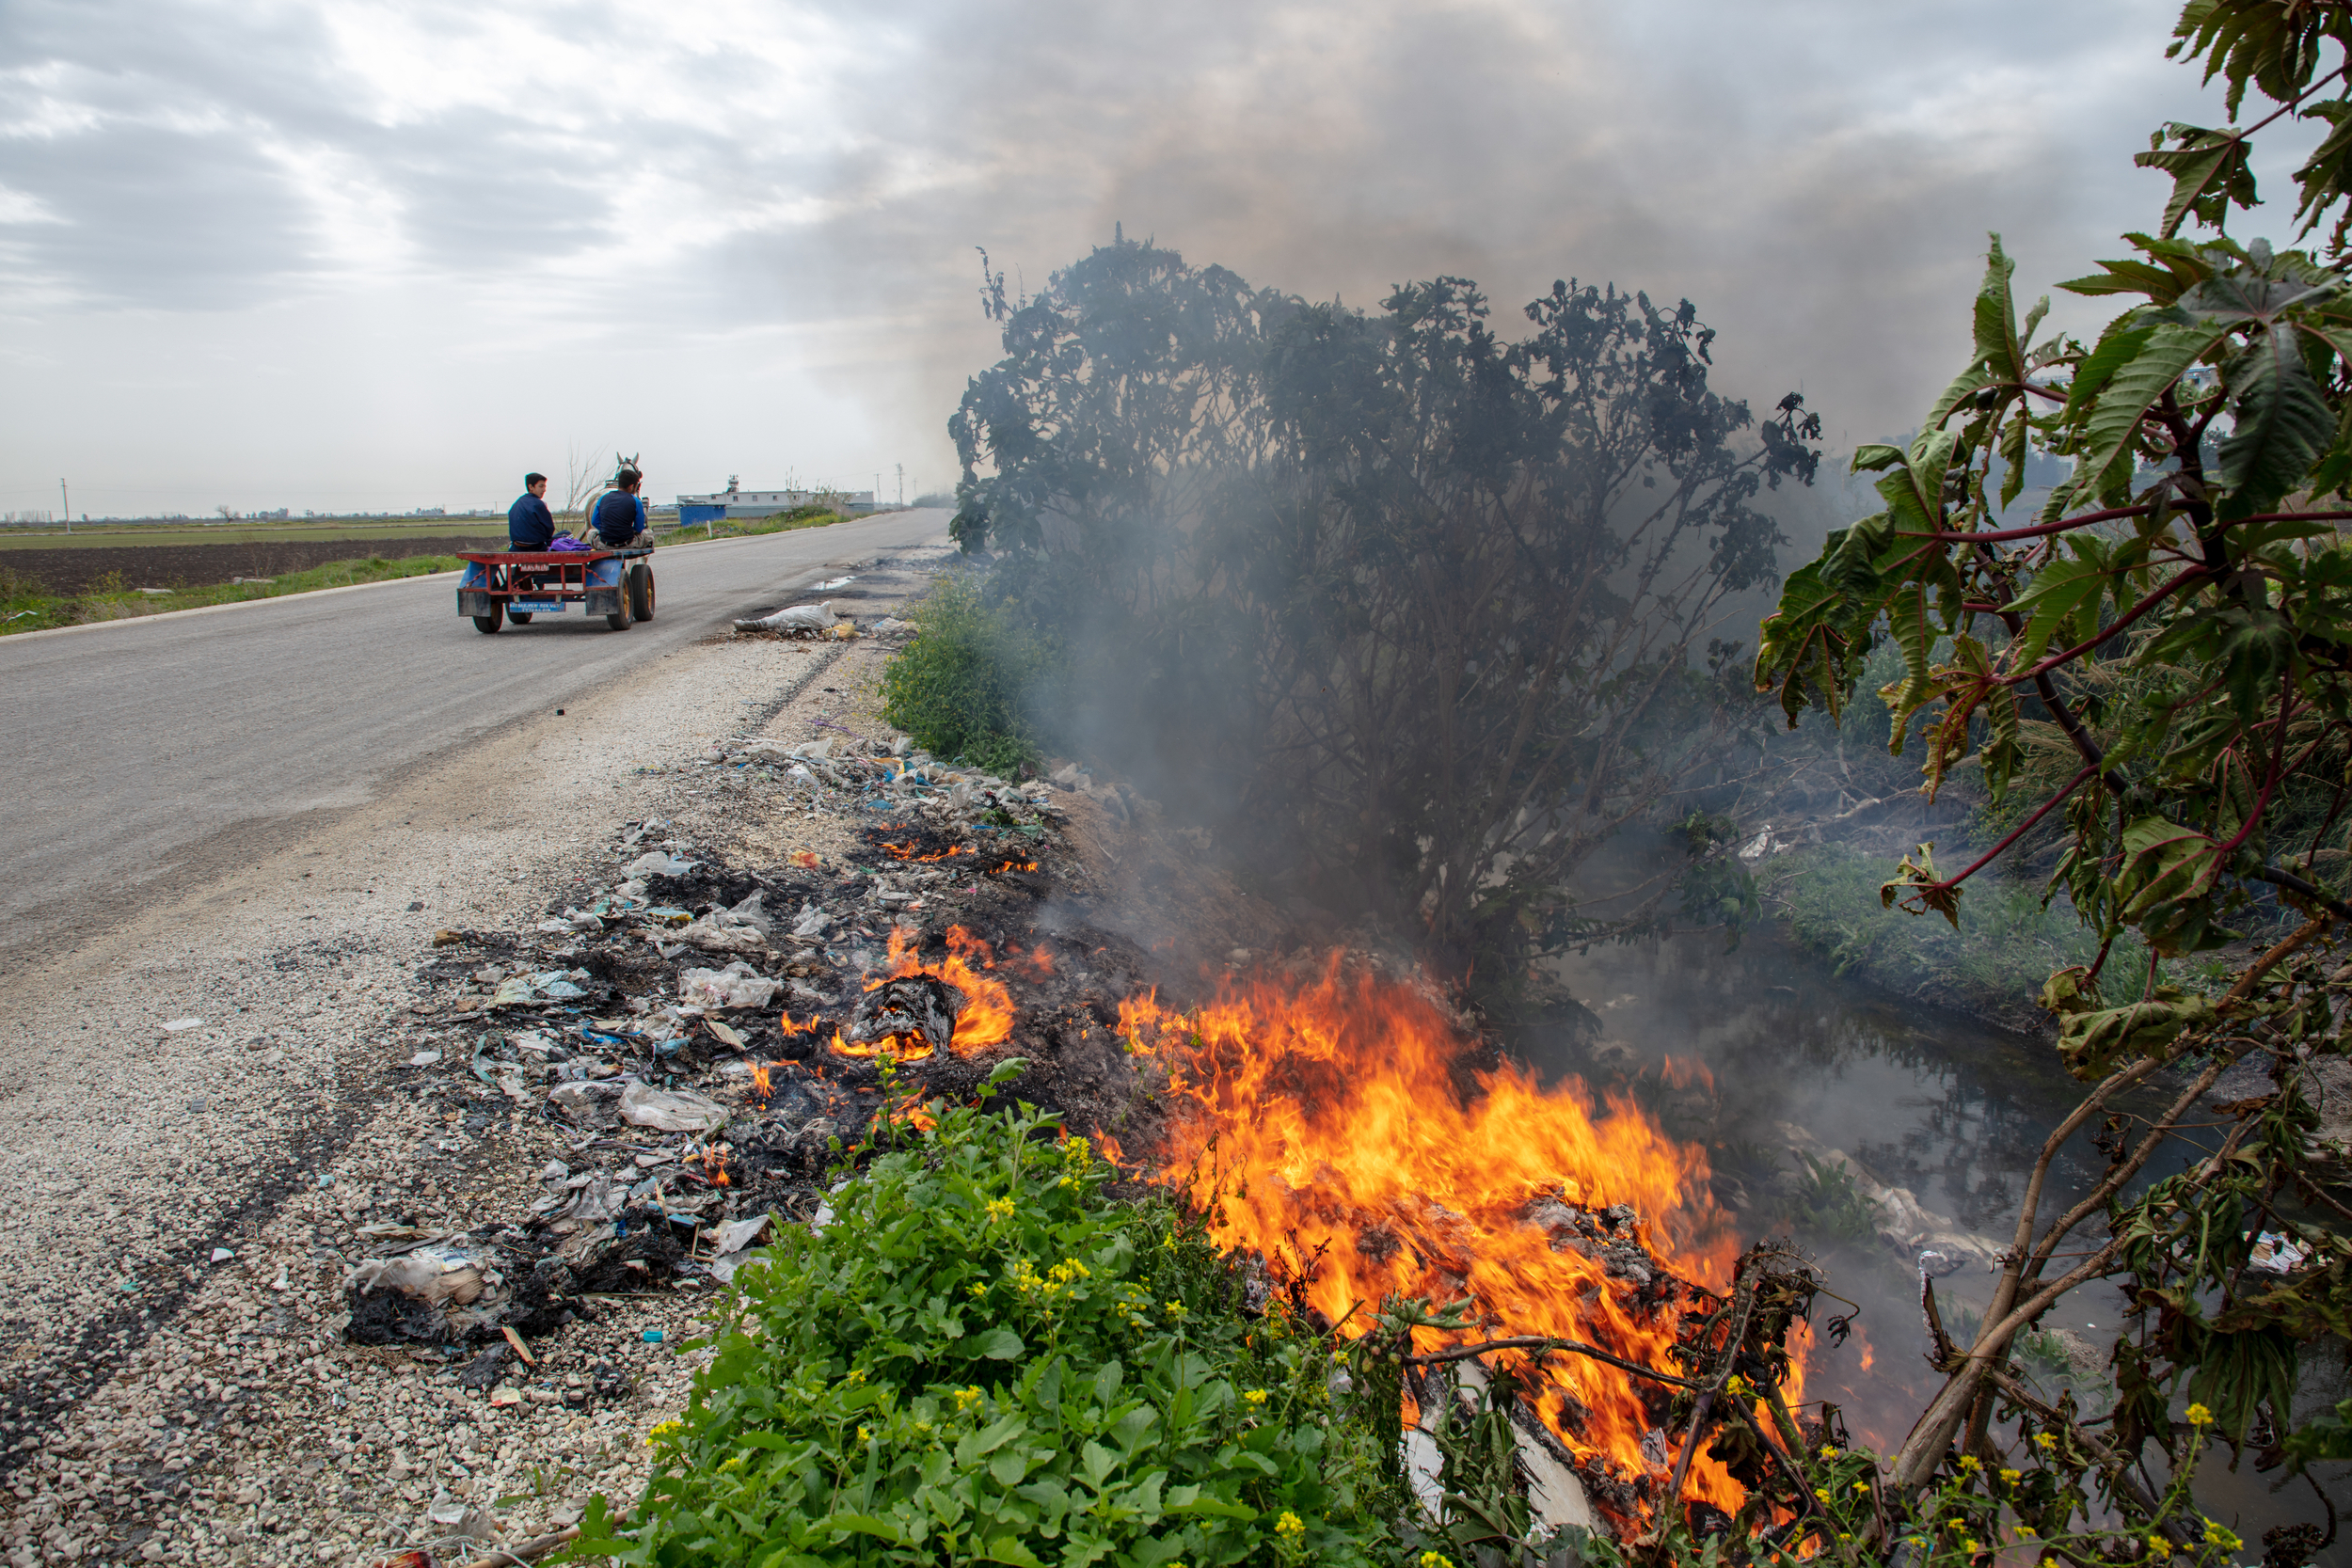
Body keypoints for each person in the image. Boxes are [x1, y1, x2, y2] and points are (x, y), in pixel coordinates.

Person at [591, 467, 651, 549]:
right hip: (627, 544)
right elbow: (639, 528)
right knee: (649, 533)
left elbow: (594, 522)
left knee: (591, 532)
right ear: (632, 486)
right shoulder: (636, 501)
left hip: (605, 544)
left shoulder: (603, 498)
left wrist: (607, 530)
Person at [507, 472, 556, 550]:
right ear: (531, 487)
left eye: (544, 486)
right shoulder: (538, 504)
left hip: (516, 548)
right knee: (564, 534)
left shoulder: (517, 503)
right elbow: (549, 528)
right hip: (536, 547)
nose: (544, 490)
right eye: (541, 486)